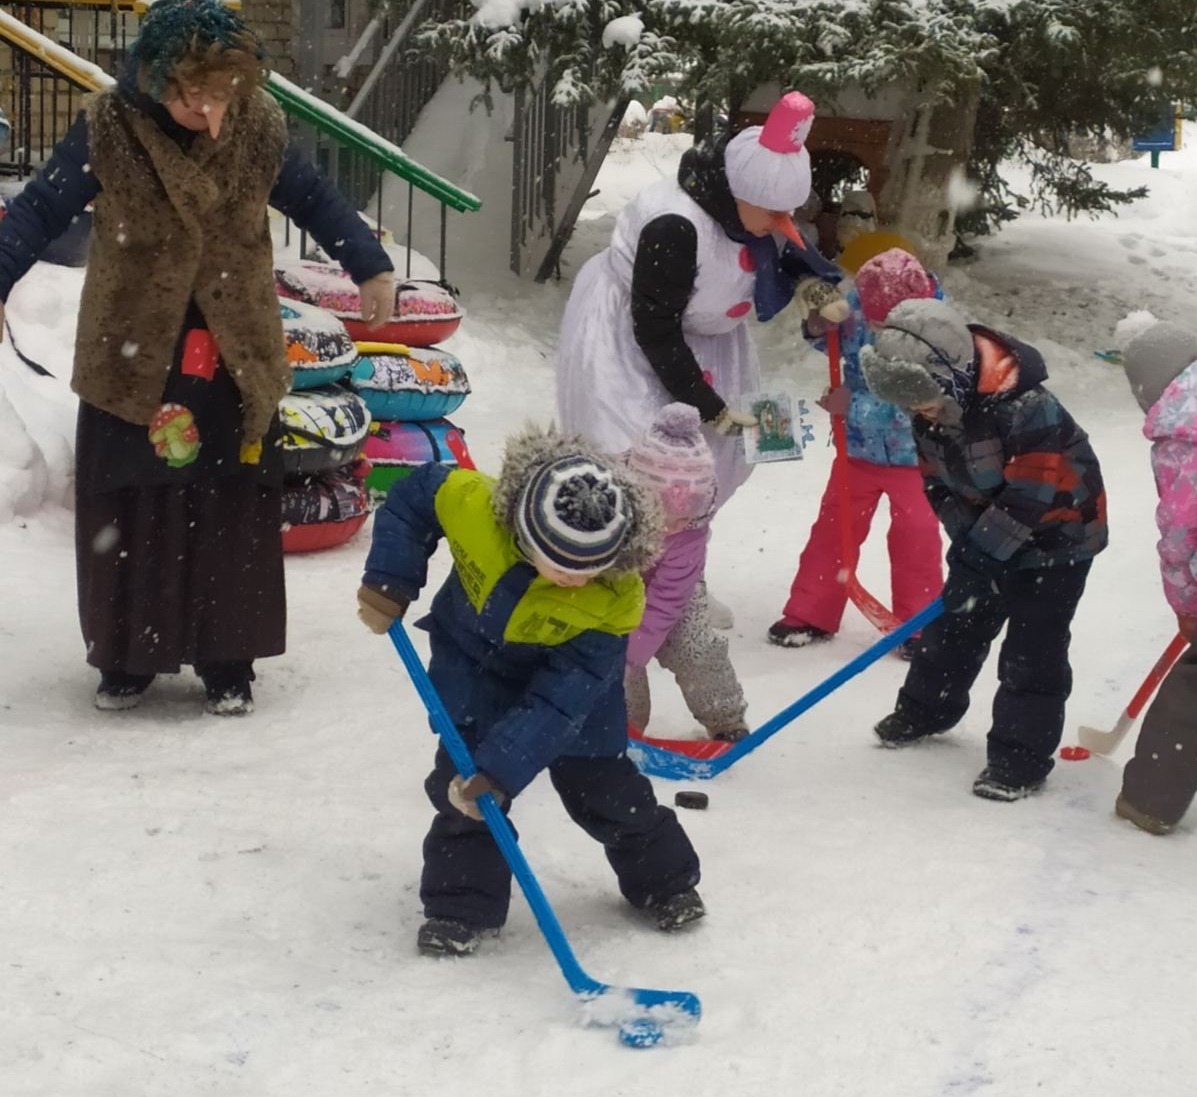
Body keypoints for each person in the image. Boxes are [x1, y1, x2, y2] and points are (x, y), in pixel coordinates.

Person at [0, 0, 394, 715]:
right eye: (190, 94)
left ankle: (225, 658)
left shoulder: (260, 124)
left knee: (229, 506)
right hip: (134, 345)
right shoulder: (108, 128)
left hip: (233, 342)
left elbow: (315, 199)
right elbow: (39, 210)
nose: (208, 111)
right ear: (154, 80)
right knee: (131, 498)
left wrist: (369, 264)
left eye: (220, 93)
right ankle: (127, 655)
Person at [356, 426, 705, 956]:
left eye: (589, 570)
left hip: (572, 699)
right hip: (474, 666)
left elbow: (561, 700)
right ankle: (460, 908)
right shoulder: (475, 505)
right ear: (522, 529)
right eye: (562, 567)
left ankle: (666, 882)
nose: (574, 581)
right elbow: (412, 499)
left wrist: (503, 768)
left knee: (606, 791)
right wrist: (390, 577)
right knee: (464, 793)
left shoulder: (612, 601)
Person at [858, 298, 1107, 801]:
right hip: (989, 533)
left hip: (1059, 539)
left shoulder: (1028, 408)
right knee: (955, 626)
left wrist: (984, 553)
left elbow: (1029, 495)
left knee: (1032, 651)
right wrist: (968, 548)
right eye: (909, 405)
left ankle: (1019, 758)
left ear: (951, 378)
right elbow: (938, 483)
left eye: (923, 401)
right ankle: (926, 711)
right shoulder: (929, 408)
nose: (916, 414)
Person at [556, 90, 848, 511]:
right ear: (739, 194)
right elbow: (656, 331)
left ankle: (682, 556)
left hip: (712, 334)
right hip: (636, 334)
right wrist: (708, 405)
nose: (783, 225)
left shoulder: (755, 213)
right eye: (774, 214)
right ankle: (620, 555)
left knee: (713, 461)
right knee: (632, 450)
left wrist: (809, 284)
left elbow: (785, 255)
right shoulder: (674, 229)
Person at [769, 248, 944, 652]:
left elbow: (919, 402)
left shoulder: (936, 332)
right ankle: (811, 612)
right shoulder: (860, 302)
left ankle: (918, 624)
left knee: (916, 536)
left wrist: (854, 405)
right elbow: (837, 338)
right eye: (872, 319)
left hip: (917, 455)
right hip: (858, 450)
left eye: (886, 323)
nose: (876, 327)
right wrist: (818, 327)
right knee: (834, 527)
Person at [1111, 316, 1197, 834]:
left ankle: (1151, 798)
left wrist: (1186, 604)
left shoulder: (1180, 443)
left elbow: (1182, 534)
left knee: (1191, 691)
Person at [623, 403, 748, 742]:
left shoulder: (691, 529)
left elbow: (668, 598)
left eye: (681, 519)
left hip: (676, 592)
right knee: (611, 658)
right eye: (660, 516)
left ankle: (724, 718)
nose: (671, 527)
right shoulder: (611, 505)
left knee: (696, 649)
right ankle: (620, 726)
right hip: (612, 589)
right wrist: (626, 654)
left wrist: (638, 650)